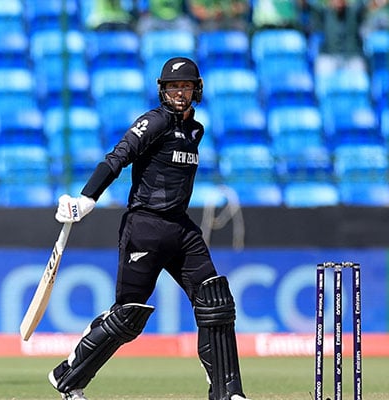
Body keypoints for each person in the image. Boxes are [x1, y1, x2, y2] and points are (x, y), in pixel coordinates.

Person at [48, 57, 251, 400]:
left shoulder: (195, 130)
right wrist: (86, 199)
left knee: (214, 300)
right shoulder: (152, 121)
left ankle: (227, 393)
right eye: (172, 87)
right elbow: (117, 158)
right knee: (129, 313)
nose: (178, 93)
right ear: (163, 91)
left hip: (181, 228)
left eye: (185, 86)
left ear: (196, 90)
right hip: (145, 225)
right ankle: (68, 378)